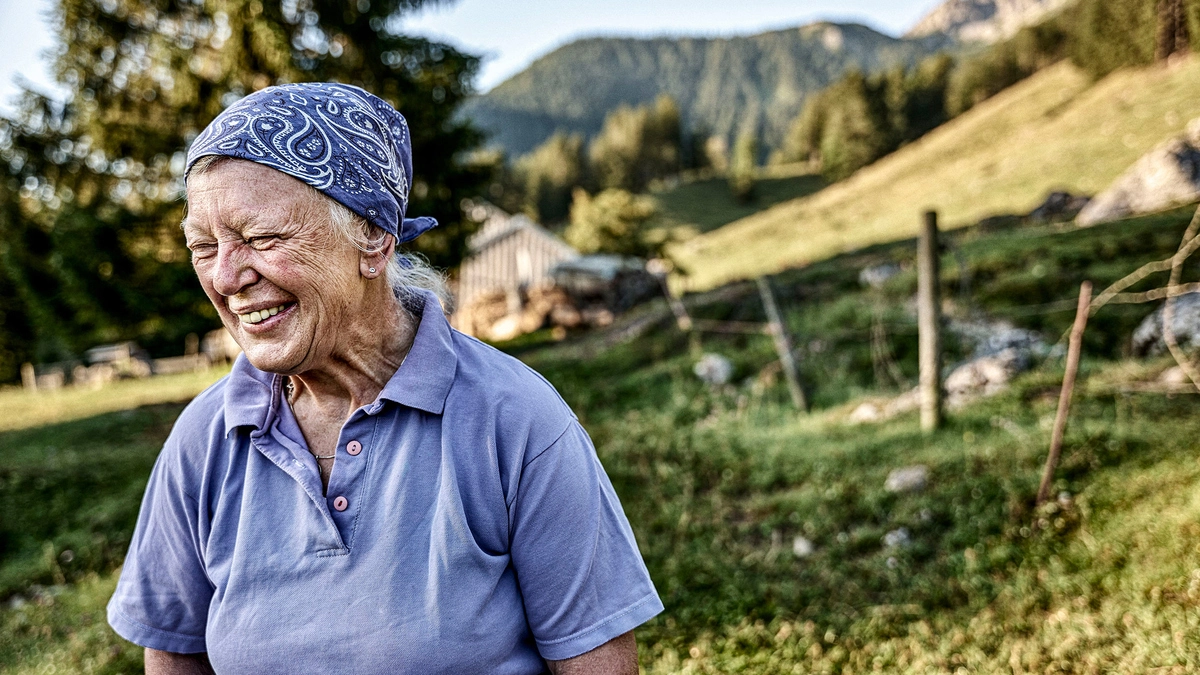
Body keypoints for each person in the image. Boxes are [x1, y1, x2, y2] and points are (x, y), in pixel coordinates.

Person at [106, 82, 662, 675]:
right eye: (203, 246)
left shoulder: (514, 419)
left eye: (261, 238)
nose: (225, 277)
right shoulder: (205, 437)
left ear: (373, 238)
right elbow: (172, 653)